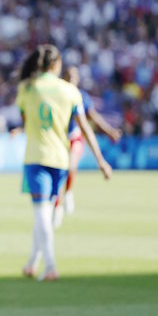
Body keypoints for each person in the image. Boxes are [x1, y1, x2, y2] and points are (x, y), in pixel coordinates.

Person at [16, 45, 113, 281]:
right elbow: (85, 128)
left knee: (41, 214)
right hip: (61, 159)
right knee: (45, 214)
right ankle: (32, 263)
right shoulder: (70, 92)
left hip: (37, 157)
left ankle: (49, 266)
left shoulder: (27, 89)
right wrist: (101, 160)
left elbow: (26, 119)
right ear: (56, 65)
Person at [53, 65, 123, 227]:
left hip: (74, 136)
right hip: (59, 139)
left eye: (73, 77)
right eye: (67, 76)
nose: (70, 79)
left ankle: (68, 192)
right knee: (59, 173)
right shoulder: (56, 95)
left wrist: (109, 131)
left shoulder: (81, 97)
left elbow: (93, 117)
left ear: (77, 79)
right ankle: (57, 206)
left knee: (71, 166)